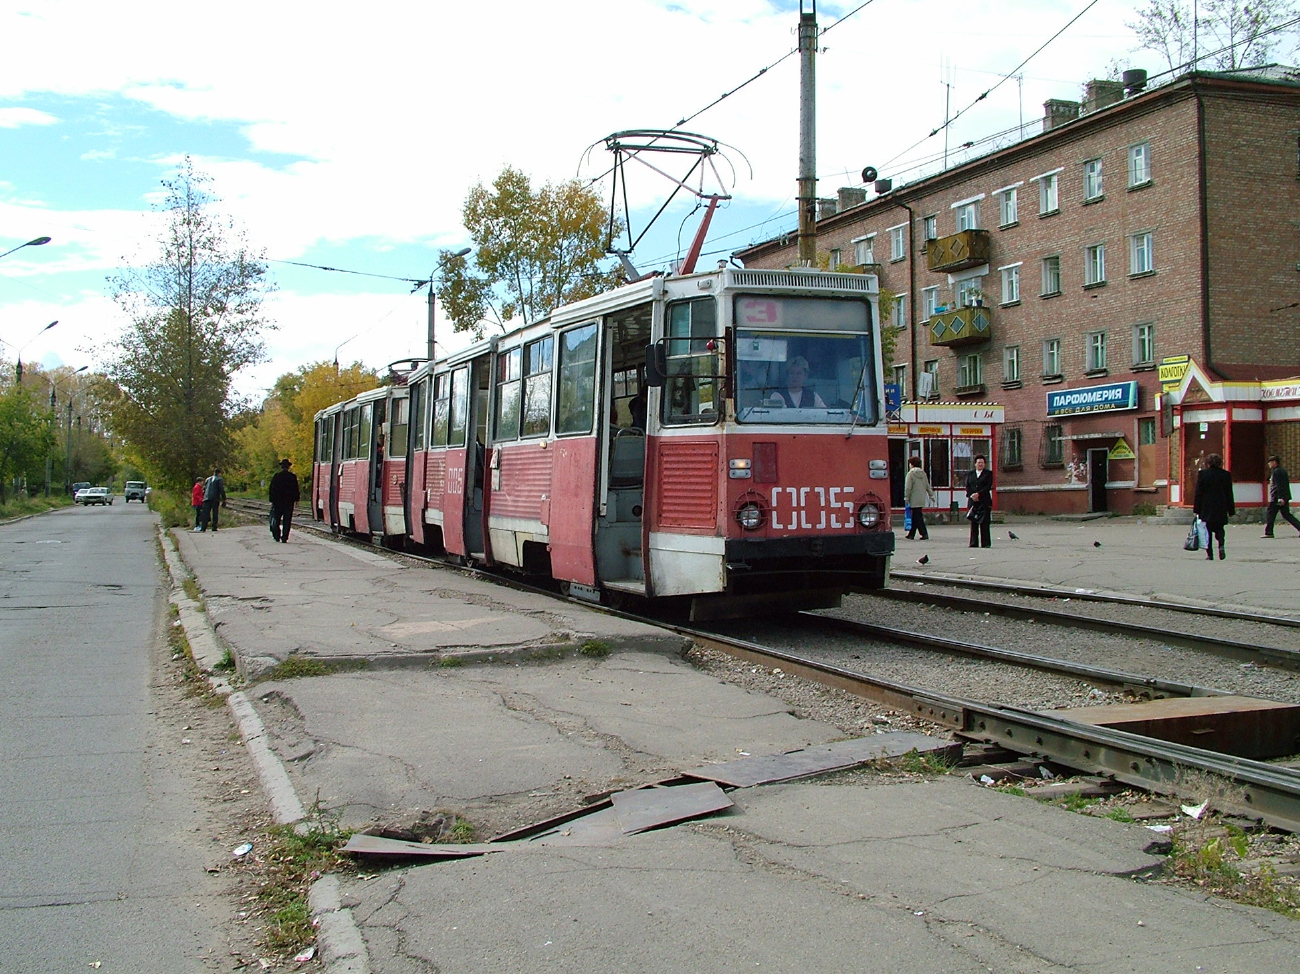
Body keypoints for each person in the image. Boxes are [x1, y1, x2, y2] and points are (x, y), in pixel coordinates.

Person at [1193, 452, 1234, 561]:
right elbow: (1229, 493)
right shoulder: (1226, 475)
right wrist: (1231, 510)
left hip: (1206, 507)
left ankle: (1210, 554)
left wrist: (1196, 509)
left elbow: (1198, 493)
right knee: (1220, 528)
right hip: (1221, 506)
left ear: (1208, 463)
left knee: (1208, 531)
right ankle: (1221, 545)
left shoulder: (1203, 474)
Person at [1262, 454, 1300, 538]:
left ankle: (1269, 532)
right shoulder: (1281, 470)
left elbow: (1280, 485)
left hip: (1277, 497)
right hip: (1282, 497)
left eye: (1270, 462)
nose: (1269, 464)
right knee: (1286, 514)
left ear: (1275, 462)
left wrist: (1281, 498)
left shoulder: (1277, 472)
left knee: (1270, 514)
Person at [964, 454, 994, 548]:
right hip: (973, 501)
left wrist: (979, 494)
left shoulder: (988, 474)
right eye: (978, 462)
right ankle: (973, 542)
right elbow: (968, 486)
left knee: (984, 523)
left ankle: (986, 543)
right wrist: (972, 495)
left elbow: (988, 486)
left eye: (982, 463)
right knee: (974, 522)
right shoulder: (971, 474)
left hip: (984, 501)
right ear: (975, 464)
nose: (980, 464)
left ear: (984, 464)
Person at [903, 456, 935, 541]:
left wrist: (906, 497)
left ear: (912, 464)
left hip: (914, 498)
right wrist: (931, 495)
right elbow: (927, 486)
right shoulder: (923, 474)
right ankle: (911, 534)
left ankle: (924, 533)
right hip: (921, 497)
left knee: (917, 517)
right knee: (916, 516)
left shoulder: (910, 474)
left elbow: (908, 487)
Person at [268, 458, 300, 543]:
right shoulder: (292, 477)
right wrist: (297, 499)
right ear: (288, 467)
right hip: (289, 502)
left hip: (277, 502)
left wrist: (272, 500)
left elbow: (272, 489)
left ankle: (276, 535)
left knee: (276, 519)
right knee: (287, 520)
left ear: (281, 467)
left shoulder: (277, 476)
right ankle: (285, 537)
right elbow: (295, 489)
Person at [201, 467, 227, 533]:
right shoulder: (219, 479)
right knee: (215, 513)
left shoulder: (208, 479)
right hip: (215, 498)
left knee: (205, 513)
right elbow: (221, 489)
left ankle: (203, 527)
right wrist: (224, 498)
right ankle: (214, 527)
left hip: (206, 498)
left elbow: (204, 488)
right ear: (219, 473)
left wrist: (204, 496)